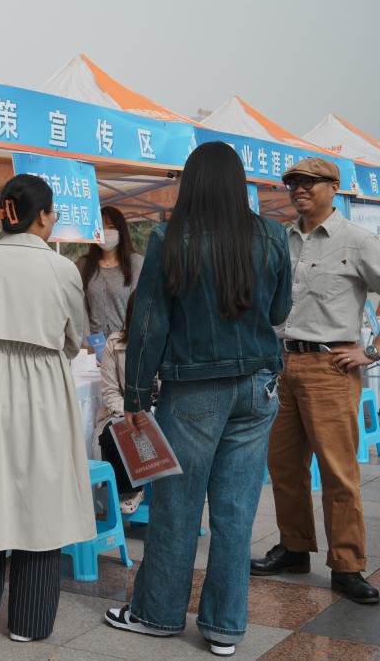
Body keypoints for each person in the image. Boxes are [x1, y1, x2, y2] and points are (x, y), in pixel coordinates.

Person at [103, 142, 293, 657]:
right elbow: (281, 309)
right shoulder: (273, 235)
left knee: (177, 506)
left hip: (193, 391)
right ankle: (225, 628)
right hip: (258, 387)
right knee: (236, 511)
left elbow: (149, 322)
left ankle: (157, 615)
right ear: (237, 182)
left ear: (192, 183)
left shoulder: (170, 237)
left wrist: (136, 394)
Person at [0, 174, 95, 643]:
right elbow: (75, 336)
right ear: (44, 216)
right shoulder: (61, 268)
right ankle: (30, 619)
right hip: (42, 378)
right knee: (40, 494)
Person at [250, 157, 380, 606]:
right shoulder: (279, 239)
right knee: (284, 467)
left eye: (309, 182)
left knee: (338, 472)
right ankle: (294, 547)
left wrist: (372, 351)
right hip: (281, 365)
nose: (298, 189)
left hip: (331, 368)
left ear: (333, 186)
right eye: (292, 182)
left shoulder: (357, 240)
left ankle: (347, 565)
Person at [94, 290, 146, 514]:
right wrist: (127, 412)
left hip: (158, 409)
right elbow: (110, 391)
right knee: (111, 435)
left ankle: (139, 489)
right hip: (123, 409)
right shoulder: (115, 342)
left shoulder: (169, 341)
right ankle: (129, 491)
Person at [76, 206, 144, 337]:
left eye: (111, 227)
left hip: (125, 341)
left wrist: (125, 340)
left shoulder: (135, 263)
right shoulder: (83, 265)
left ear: (121, 231)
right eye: (101, 228)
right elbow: (80, 306)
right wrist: (87, 341)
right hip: (93, 343)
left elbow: (138, 306)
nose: (105, 232)